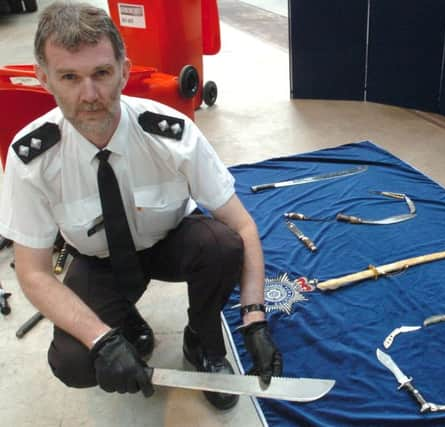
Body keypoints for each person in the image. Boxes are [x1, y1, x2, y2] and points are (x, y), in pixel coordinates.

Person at [0, 1, 282, 410]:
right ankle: (124, 326)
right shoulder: (32, 158)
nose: (90, 94)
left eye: (101, 73)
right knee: (74, 362)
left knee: (221, 245)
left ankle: (202, 340)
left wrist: (255, 318)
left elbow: (243, 228)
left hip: (169, 243)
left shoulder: (172, 134)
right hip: (99, 261)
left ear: (125, 71)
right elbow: (33, 272)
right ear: (45, 79)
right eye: (69, 77)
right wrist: (101, 338)